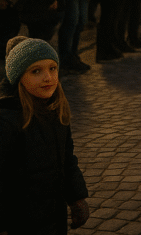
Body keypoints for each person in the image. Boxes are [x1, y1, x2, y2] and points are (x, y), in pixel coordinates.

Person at [0, 37, 90, 233]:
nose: (48, 77)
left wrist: (76, 198)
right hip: (20, 222)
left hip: (53, 216)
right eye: (36, 71)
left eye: (52, 68)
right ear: (18, 78)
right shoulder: (8, 121)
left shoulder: (55, 112)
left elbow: (67, 159)